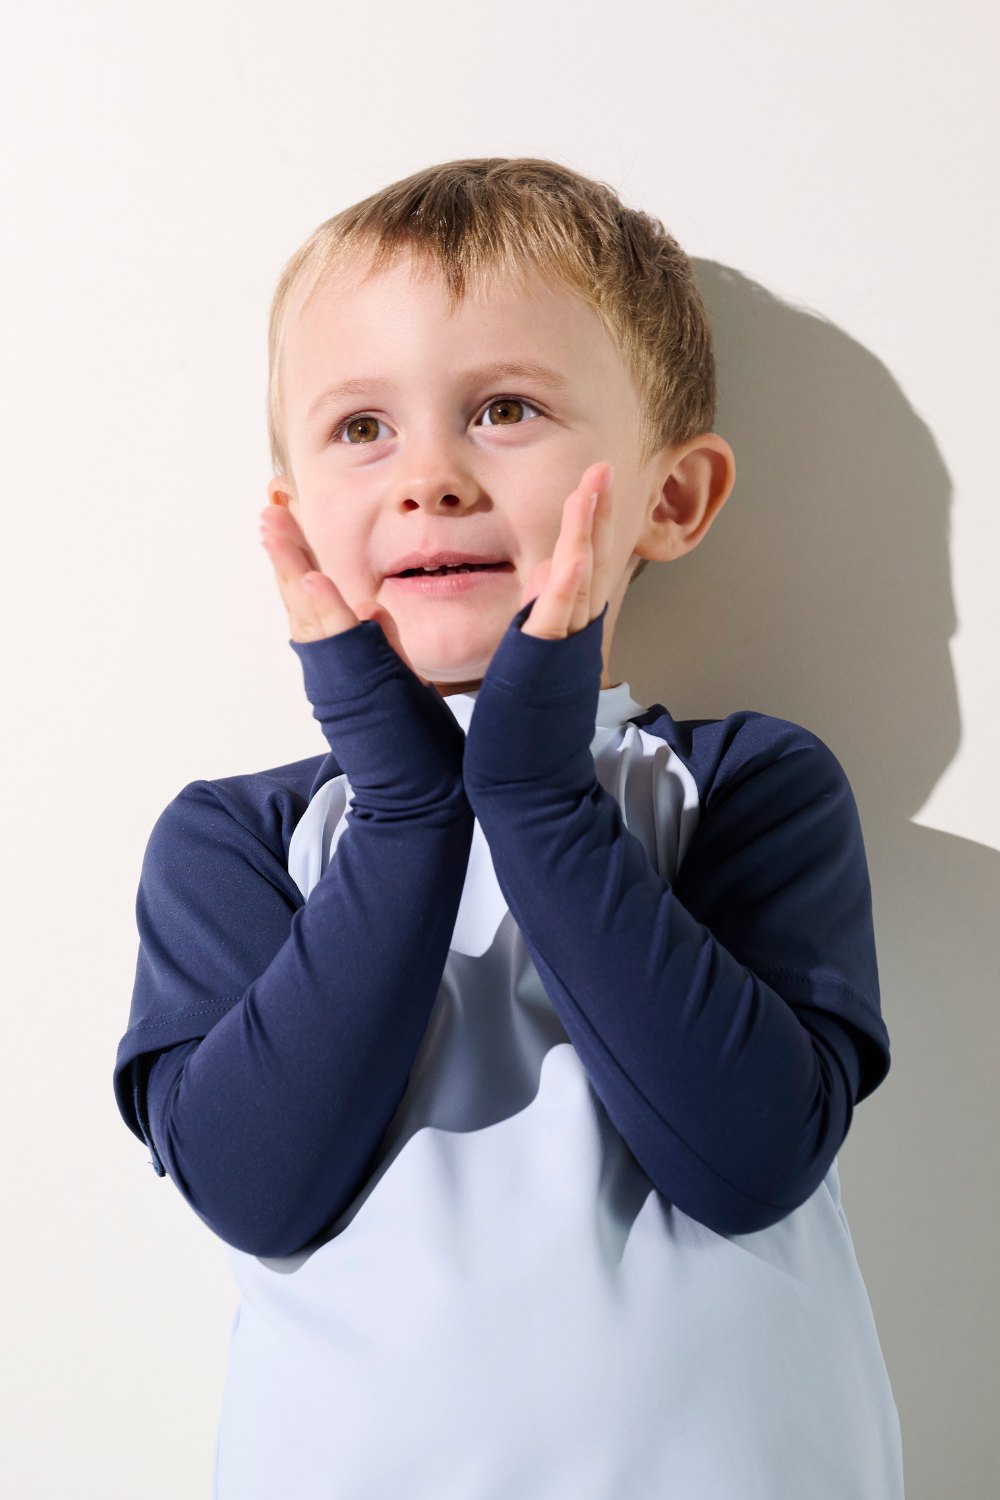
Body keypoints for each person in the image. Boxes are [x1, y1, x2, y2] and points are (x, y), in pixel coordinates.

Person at [113, 157, 905, 1498]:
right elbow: (255, 1184)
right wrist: (416, 805)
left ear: (673, 496)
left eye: (503, 410)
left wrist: (535, 794)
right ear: (292, 513)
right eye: (361, 428)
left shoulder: (750, 788)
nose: (429, 478)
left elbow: (752, 1155)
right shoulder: (235, 840)